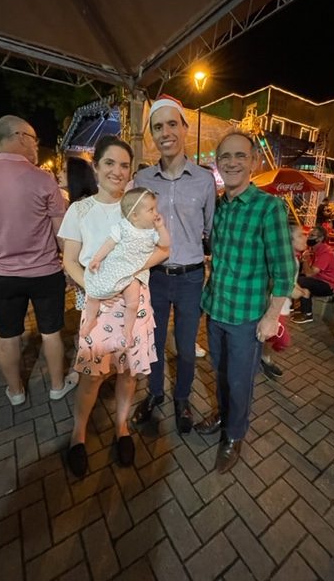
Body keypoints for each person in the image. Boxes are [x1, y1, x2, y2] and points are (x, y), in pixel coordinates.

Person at [58, 135, 165, 477]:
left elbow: (159, 250)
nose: (117, 171)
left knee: (128, 373)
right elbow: (70, 260)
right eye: (109, 163)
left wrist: (132, 272)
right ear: (96, 166)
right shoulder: (81, 209)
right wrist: (96, 287)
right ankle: (78, 434)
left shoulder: (140, 208)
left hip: (136, 302)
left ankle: (122, 428)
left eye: (124, 165)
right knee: (92, 376)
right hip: (98, 303)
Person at [0, 115, 75, 406]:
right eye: (34, 140)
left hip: (2, 274)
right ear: (21, 136)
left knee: (7, 336)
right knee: (50, 333)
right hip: (45, 272)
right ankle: (57, 386)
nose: (36, 146)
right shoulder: (43, 179)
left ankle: (16, 392)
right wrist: (71, 268)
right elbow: (61, 233)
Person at [195, 131, 296, 473]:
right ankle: (223, 415)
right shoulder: (220, 207)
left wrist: (272, 317)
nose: (233, 162)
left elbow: (284, 270)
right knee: (220, 373)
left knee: (239, 381)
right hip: (218, 309)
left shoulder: (269, 208)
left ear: (253, 161)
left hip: (247, 318)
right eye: (226, 157)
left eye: (240, 156)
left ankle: (234, 435)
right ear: (218, 164)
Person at [132, 95, 216, 434]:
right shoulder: (142, 181)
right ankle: (154, 393)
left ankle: (182, 397)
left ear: (184, 127)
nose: (165, 132)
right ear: (152, 134)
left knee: (184, 346)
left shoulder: (204, 180)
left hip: (190, 278)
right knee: (152, 341)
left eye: (171, 124)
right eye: (157, 126)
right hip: (154, 277)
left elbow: (209, 228)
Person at [82, 188, 170, 346]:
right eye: (151, 210)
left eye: (155, 208)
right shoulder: (123, 227)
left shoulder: (152, 233)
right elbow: (109, 243)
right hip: (114, 267)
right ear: (135, 216)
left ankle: (127, 330)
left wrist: (162, 227)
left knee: (133, 303)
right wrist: (97, 258)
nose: (156, 213)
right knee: (94, 292)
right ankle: (90, 320)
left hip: (133, 274)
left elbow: (165, 244)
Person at [261, 224, 309, 380]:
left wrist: (300, 289)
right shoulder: (286, 259)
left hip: (283, 307)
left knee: (269, 337)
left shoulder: (294, 258)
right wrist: (298, 293)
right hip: (276, 307)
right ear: (289, 240)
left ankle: (263, 358)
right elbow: (284, 285)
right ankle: (260, 357)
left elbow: (292, 282)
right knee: (283, 340)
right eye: (300, 235)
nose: (305, 238)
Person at [291, 225, 334, 324]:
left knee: (301, 281)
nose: (309, 237)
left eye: (312, 235)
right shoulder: (313, 250)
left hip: (328, 284)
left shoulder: (325, 253)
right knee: (297, 278)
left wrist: (304, 260)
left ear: (320, 238)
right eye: (309, 234)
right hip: (318, 279)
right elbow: (306, 272)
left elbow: (309, 274)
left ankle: (307, 313)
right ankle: (298, 307)